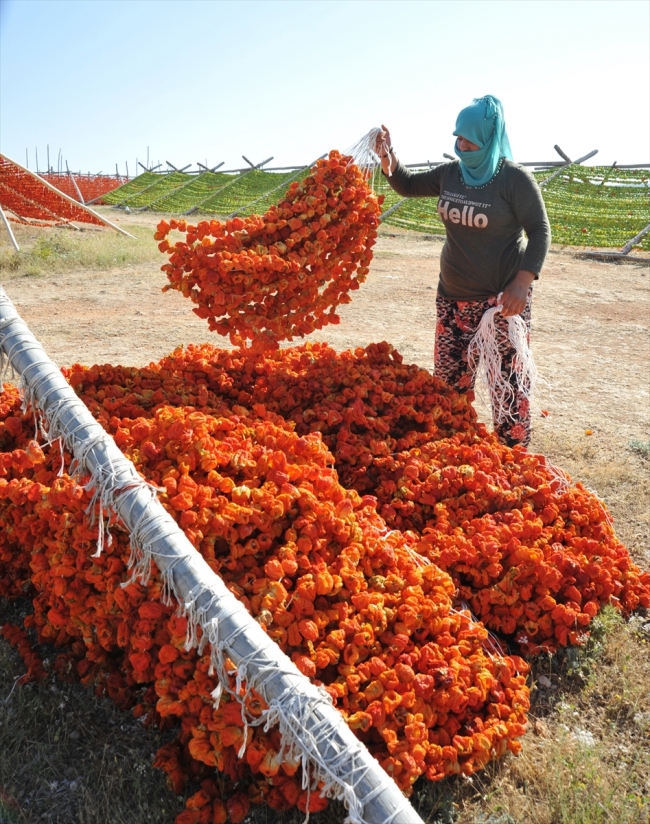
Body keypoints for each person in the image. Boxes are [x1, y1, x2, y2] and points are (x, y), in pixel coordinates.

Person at [376, 95, 551, 447]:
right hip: (452, 301)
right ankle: (458, 457)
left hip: (501, 304)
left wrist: (522, 281)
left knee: (507, 388)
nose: (461, 146)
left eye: (470, 139)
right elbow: (408, 185)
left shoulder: (514, 181)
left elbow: (540, 231)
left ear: (489, 138)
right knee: (447, 387)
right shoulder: (450, 174)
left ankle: (513, 460)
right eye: (458, 137)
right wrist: (388, 157)